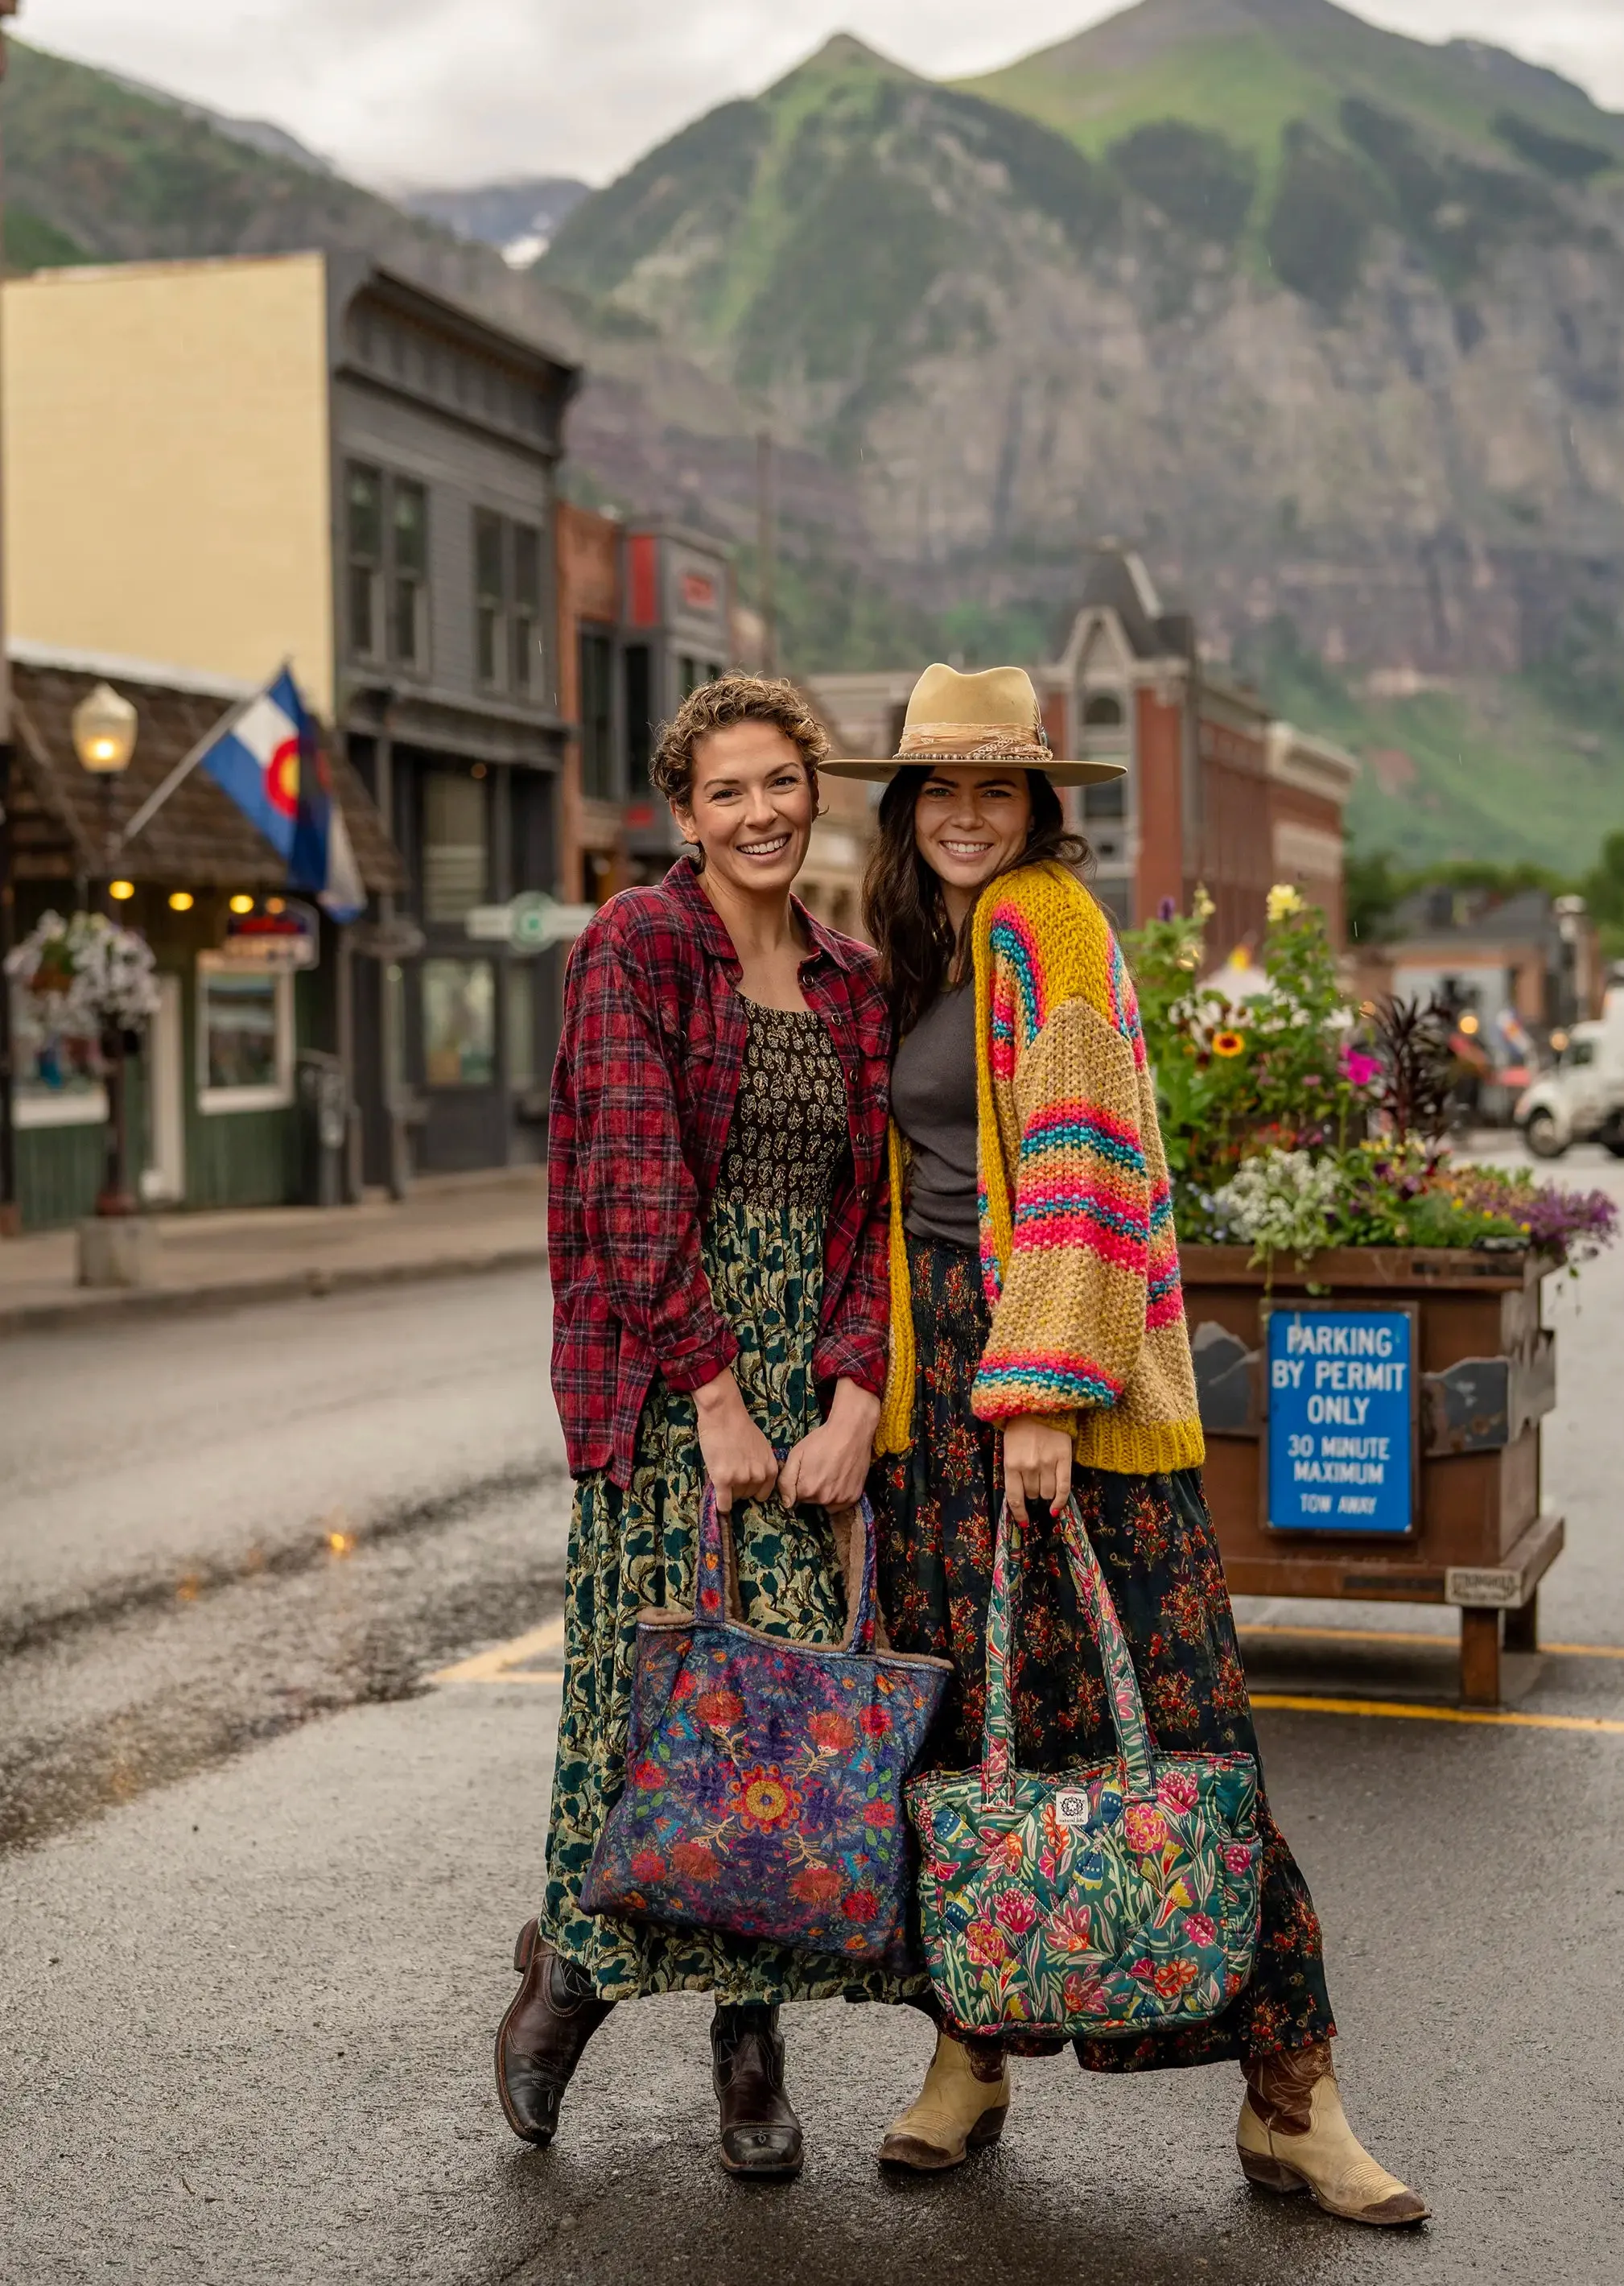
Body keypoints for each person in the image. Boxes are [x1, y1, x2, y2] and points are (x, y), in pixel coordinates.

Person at [824, 663, 1428, 2227]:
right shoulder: (917, 949)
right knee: (965, 1733)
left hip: (1062, 1384)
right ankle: (970, 2056)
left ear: (1038, 805)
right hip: (931, 1402)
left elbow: (1089, 1170)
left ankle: (1295, 2093)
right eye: (939, 791)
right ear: (906, 809)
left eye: (996, 789)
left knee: (1181, 1724)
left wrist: (1040, 1390)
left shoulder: (1048, 924)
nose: (967, 815)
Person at [494, 675, 894, 2181]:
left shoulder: (855, 981)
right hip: (672, 1385)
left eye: (779, 784)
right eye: (726, 792)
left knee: (780, 1729)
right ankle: (567, 1988)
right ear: (685, 814)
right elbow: (632, 1182)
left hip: (811, 1398)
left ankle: (750, 2041)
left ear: (814, 792)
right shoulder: (640, 944)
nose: (760, 813)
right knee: (643, 1703)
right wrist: (716, 1392)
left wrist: (854, 1391)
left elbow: (871, 1223)